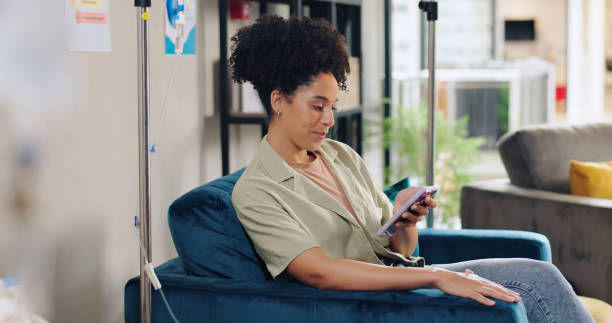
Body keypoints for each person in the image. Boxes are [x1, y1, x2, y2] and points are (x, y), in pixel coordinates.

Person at [230, 15, 594, 323]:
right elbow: (319, 272)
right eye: (317, 106)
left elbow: (398, 250)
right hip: (364, 303)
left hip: (406, 280)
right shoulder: (257, 190)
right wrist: (435, 278)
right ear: (279, 100)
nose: (328, 120)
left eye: (333, 108)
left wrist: (406, 221)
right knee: (534, 280)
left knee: (536, 276)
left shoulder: (340, 157)